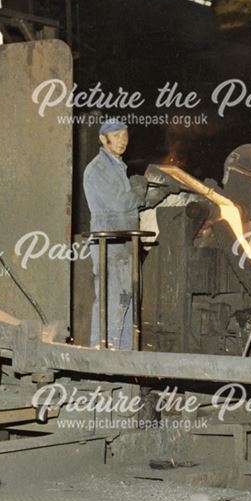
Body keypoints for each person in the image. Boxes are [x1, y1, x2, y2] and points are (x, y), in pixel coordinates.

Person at [83, 120, 149, 350]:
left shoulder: (118, 167)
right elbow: (122, 203)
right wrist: (140, 192)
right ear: (103, 139)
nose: (122, 140)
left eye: (125, 136)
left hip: (126, 244)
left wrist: (153, 194)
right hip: (109, 245)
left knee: (129, 302)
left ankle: (125, 364)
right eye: (116, 136)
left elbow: (132, 203)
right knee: (113, 302)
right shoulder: (98, 169)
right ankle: (103, 359)